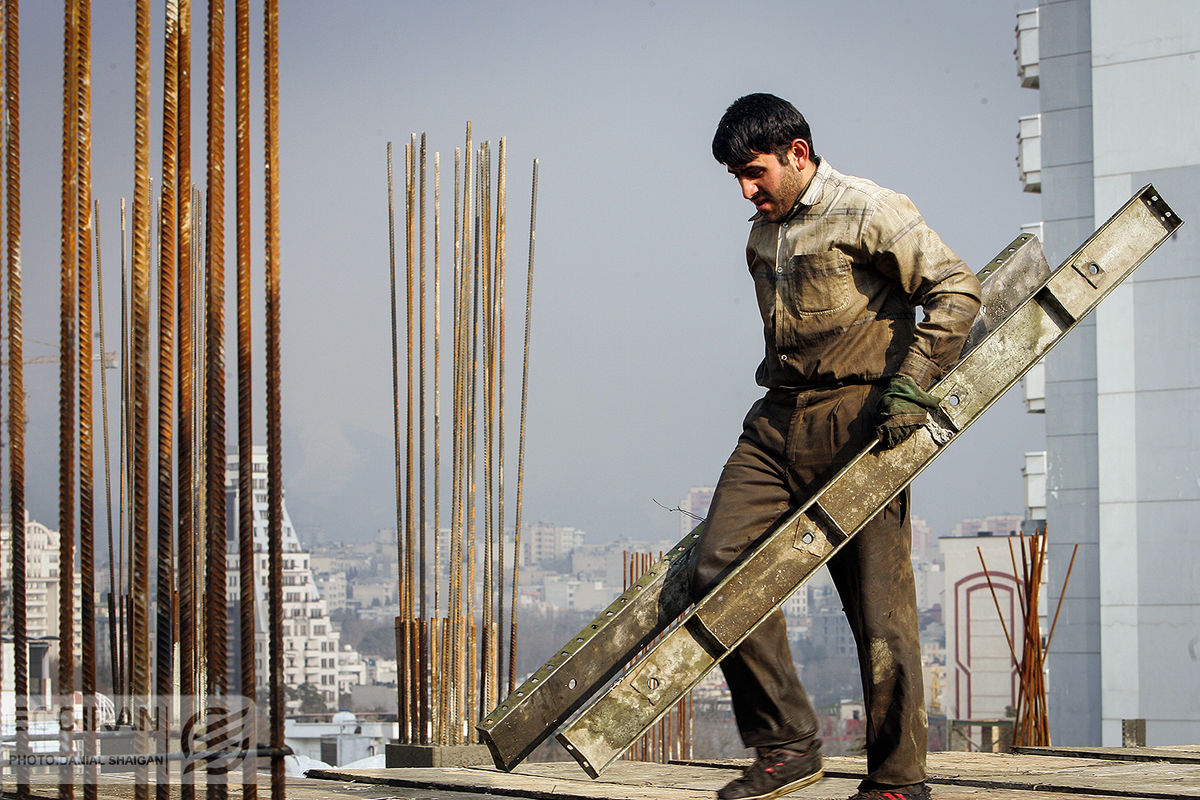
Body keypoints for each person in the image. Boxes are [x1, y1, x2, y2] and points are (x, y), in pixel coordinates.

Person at [692, 93, 981, 800]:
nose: (746, 189)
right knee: (716, 568)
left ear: (798, 153)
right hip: (776, 421)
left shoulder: (869, 209)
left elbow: (957, 290)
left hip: (860, 419)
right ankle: (788, 745)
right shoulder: (762, 232)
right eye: (735, 176)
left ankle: (898, 779)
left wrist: (912, 385)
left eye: (755, 172)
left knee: (877, 611)